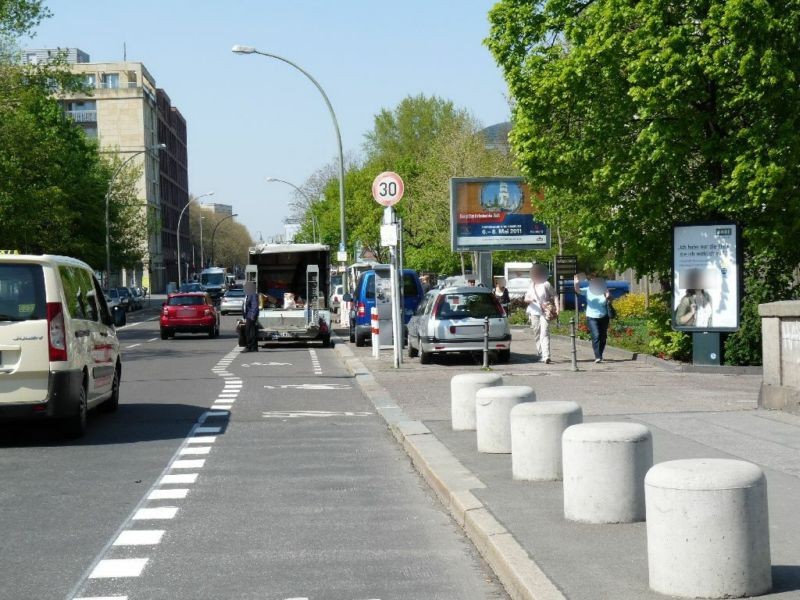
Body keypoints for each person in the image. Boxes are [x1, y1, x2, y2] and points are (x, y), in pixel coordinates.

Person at [574, 272, 611, 363]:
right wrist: (576, 283)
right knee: (596, 335)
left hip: (604, 316)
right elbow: (578, 290)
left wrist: (607, 295)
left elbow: (609, 298)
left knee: (603, 336)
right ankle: (597, 356)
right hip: (591, 316)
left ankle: (600, 354)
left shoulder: (604, 289)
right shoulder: (588, 290)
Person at [524, 264, 557, 363]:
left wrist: (557, 308)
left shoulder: (546, 284)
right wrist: (531, 299)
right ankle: (541, 352)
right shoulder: (531, 285)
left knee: (545, 332)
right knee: (537, 332)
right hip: (534, 311)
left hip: (545, 311)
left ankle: (546, 355)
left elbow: (555, 295)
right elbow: (526, 299)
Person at [243, 282, 260, 352]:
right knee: (252, 331)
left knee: (248, 331)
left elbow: (254, 306)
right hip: (248, 315)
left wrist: (253, 315)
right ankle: (254, 347)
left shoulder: (253, 295)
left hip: (251, 315)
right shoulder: (248, 294)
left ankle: (249, 346)